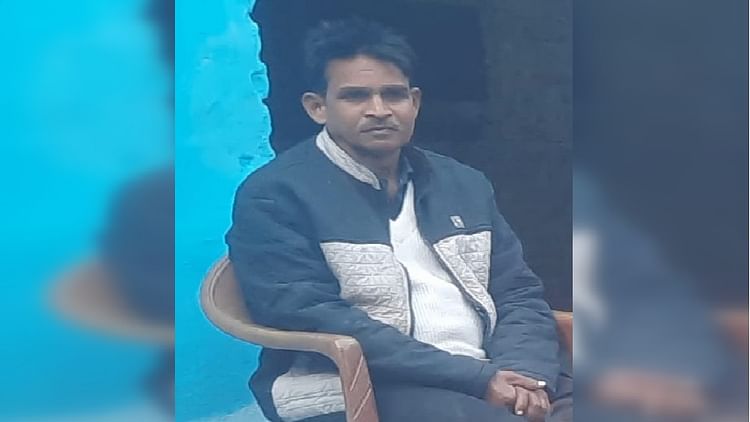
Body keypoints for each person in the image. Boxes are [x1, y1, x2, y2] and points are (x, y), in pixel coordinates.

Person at [226, 17, 570, 422]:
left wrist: (526, 375)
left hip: (491, 370)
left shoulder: (463, 184)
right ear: (317, 107)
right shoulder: (276, 194)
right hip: (353, 383)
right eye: (355, 96)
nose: (379, 110)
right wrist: (474, 378)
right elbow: (308, 313)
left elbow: (516, 292)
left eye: (393, 94)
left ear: (415, 102)